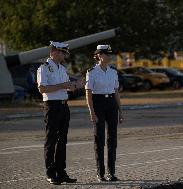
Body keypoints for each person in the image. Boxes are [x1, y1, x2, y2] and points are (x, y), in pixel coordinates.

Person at [37, 41, 83, 185]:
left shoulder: (62, 69)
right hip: (52, 106)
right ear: (54, 52)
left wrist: (76, 85)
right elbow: (42, 89)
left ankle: (61, 172)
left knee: (62, 140)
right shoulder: (44, 68)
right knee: (51, 140)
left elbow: (67, 87)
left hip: (64, 106)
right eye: (63, 52)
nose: (64, 55)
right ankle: (51, 173)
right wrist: (62, 86)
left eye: (65, 53)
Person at [85, 45, 123, 182]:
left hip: (112, 104)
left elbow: (116, 92)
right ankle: (100, 173)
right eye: (106, 54)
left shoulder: (113, 72)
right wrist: (92, 112)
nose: (109, 56)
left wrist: (120, 111)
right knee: (99, 139)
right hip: (98, 104)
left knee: (112, 139)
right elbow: (88, 93)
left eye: (109, 54)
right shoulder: (92, 72)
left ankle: (111, 173)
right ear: (99, 56)